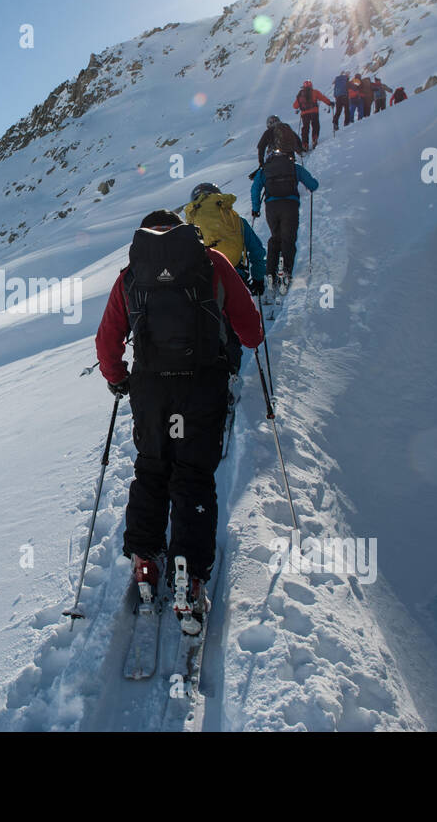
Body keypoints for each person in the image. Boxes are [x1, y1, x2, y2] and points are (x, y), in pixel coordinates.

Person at [95, 209, 264, 635]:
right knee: (193, 474)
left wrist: (118, 379)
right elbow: (250, 330)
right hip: (200, 387)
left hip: (151, 390)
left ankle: (147, 561)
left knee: (152, 468)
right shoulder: (211, 263)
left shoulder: (131, 275)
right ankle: (189, 574)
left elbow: (107, 339)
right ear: (183, 230)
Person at [250, 146, 319, 297]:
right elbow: (313, 185)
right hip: (290, 206)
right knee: (288, 240)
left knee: (275, 238)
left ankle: (270, 274)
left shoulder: (264, 170)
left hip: (272, 207)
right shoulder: (293, 167)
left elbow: (255, 189)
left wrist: (255, 209)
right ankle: (286, 274)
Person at [292, 80, 333, 151]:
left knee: (305, 128)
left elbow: (295, 106)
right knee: (315, 125)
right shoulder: (315, 92)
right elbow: (323, 98)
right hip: (314, 112)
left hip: (304, 114)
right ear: (311, 86)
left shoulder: (300, 94)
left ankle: (305, 144)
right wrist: (330, 103)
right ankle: (314, 139)